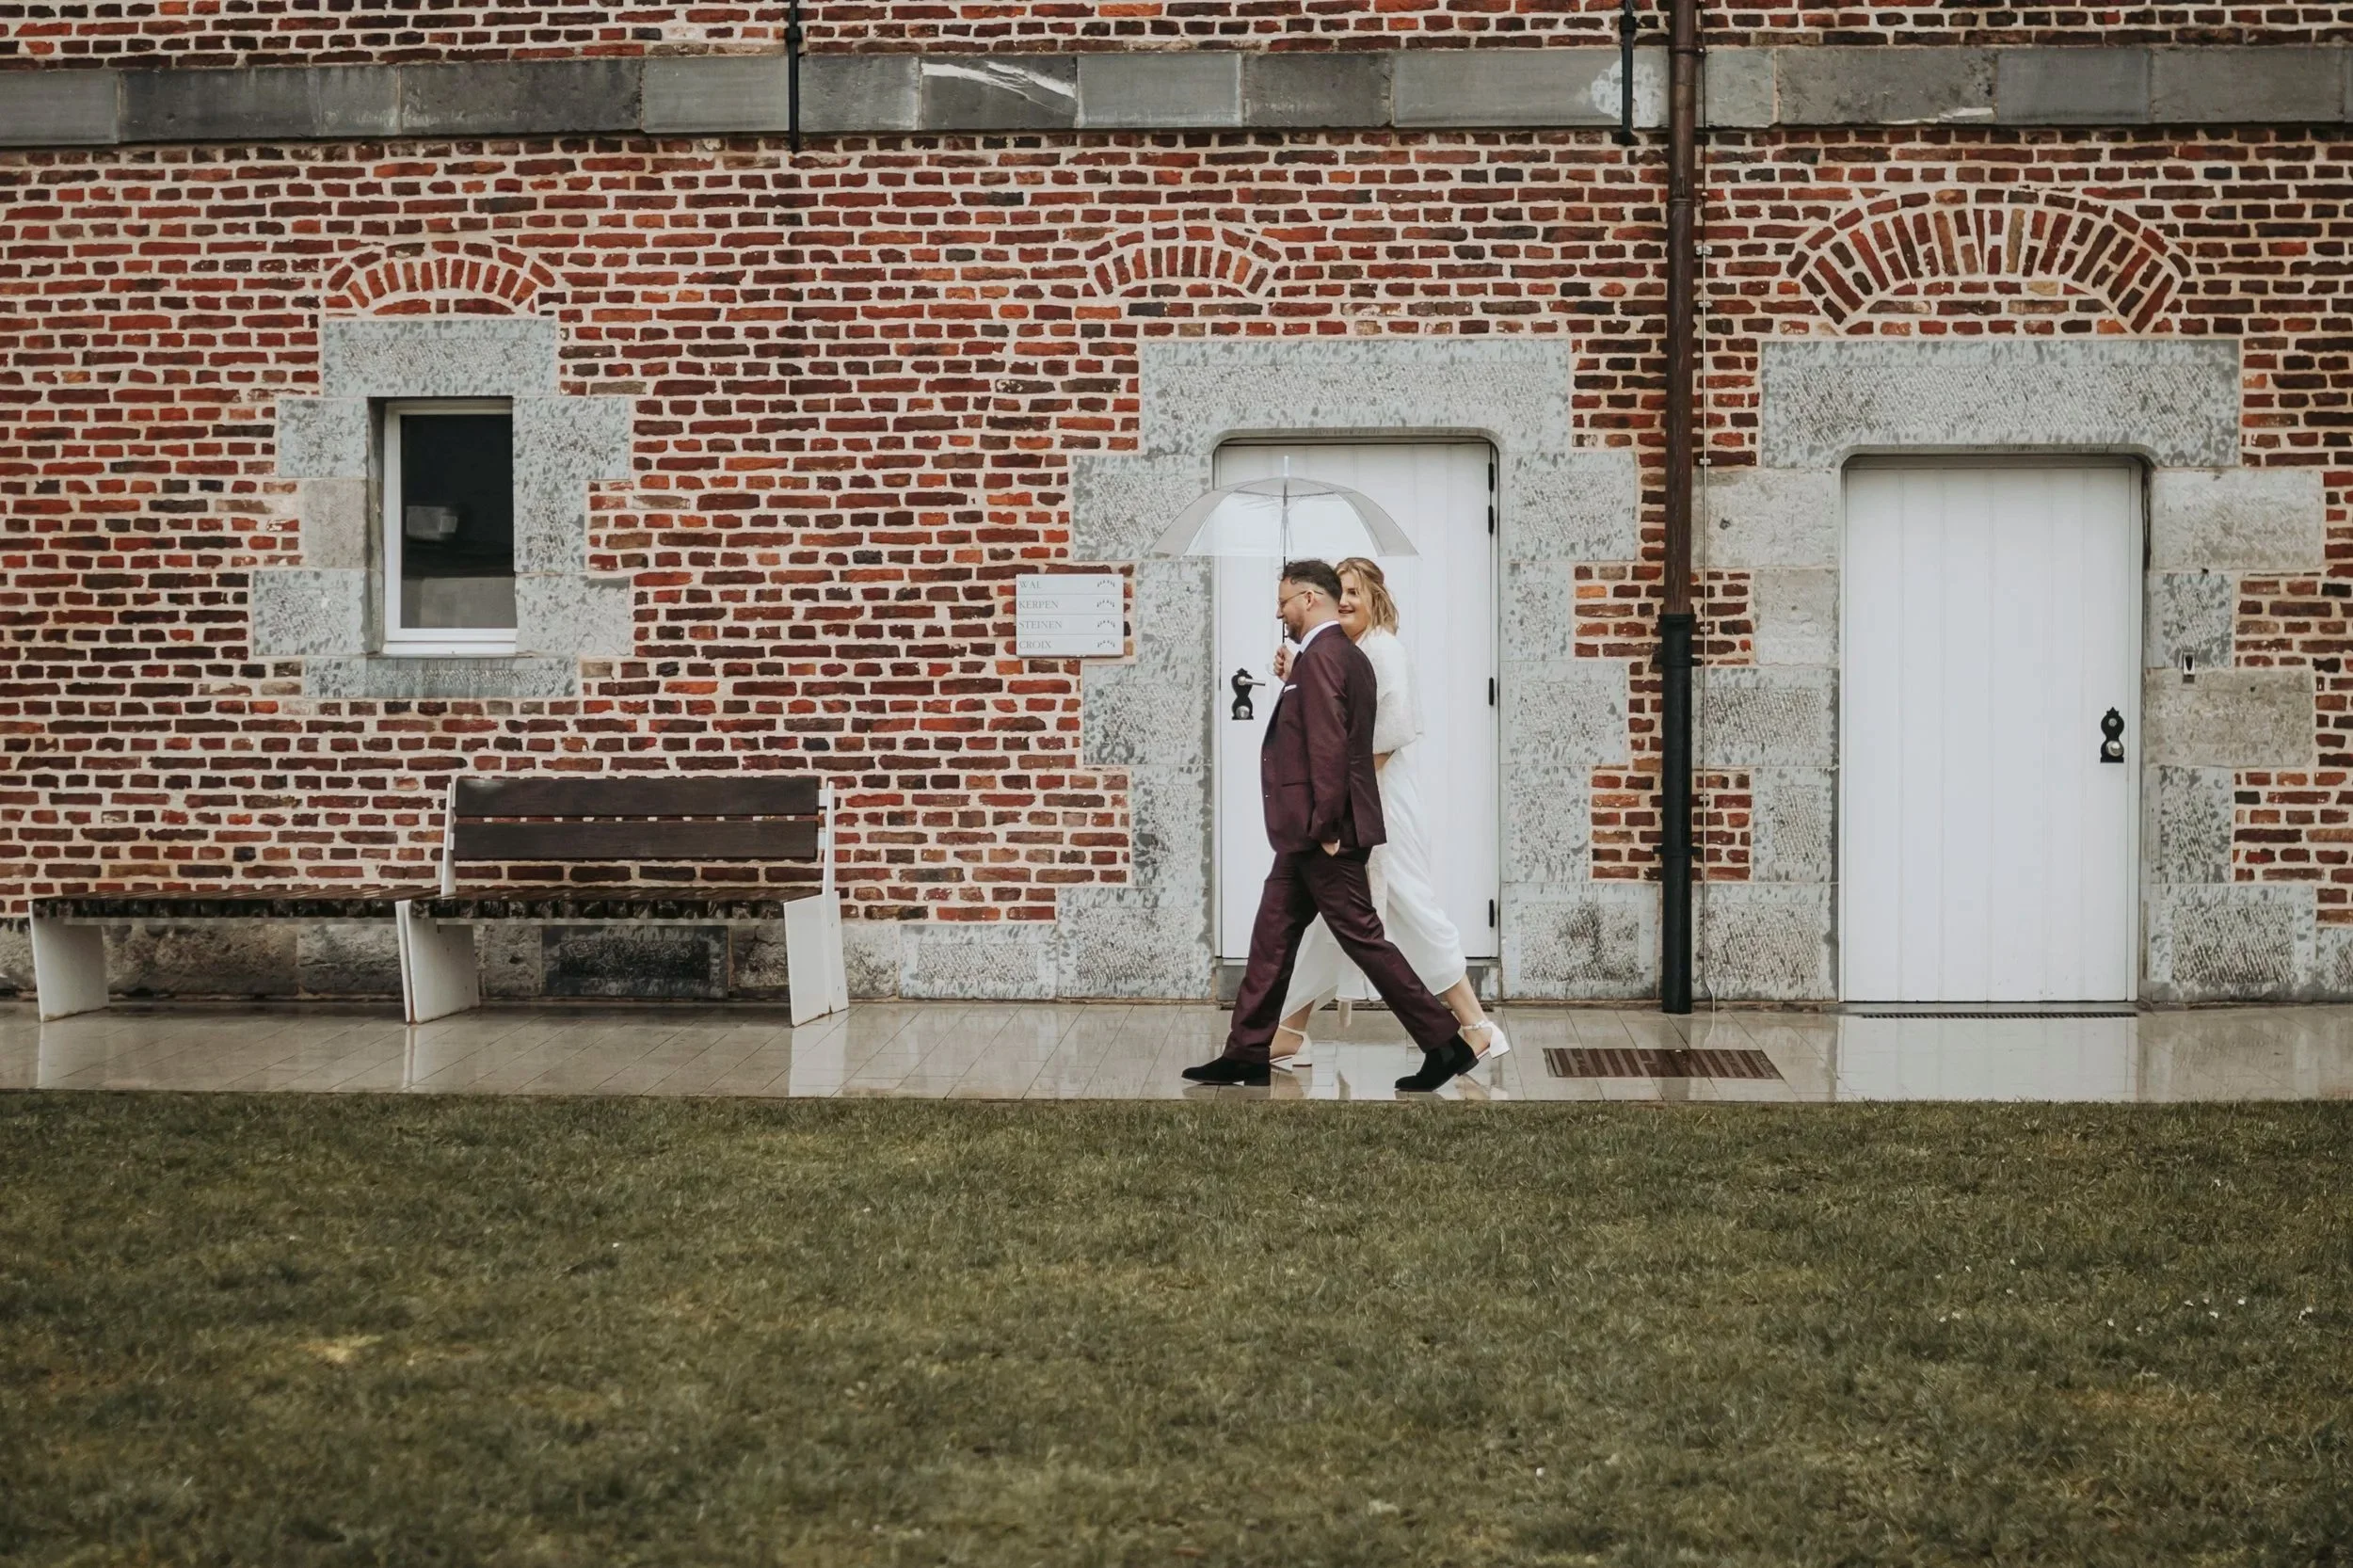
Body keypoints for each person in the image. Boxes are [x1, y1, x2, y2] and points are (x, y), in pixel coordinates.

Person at [1181, 559, 1483, 1093]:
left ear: (1309, 599)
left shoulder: (1325, 658)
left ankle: (1446, 1043)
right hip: (1304, 836)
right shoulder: (1332, 656)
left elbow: (1329, 748)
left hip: (1324, 833)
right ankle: (1246, 1052)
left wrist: (1324, 825)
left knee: (1364, 938)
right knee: (1271, 937)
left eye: (1285, 601)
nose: (1280, 611)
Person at [1268, 557, 1510, 1071]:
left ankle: (1474, 1025)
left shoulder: (1384, 651)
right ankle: (1291, 1030)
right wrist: (1299, 673)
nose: (1349, 600)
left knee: (1408, 907)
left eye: (1357, 591)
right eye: (1343, 591)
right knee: (1331, 918)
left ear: (1375, 597)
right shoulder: (1341, 652)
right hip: (1350, 803)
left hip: (1379, 805)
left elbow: (1383, 740)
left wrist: (1332, 798)